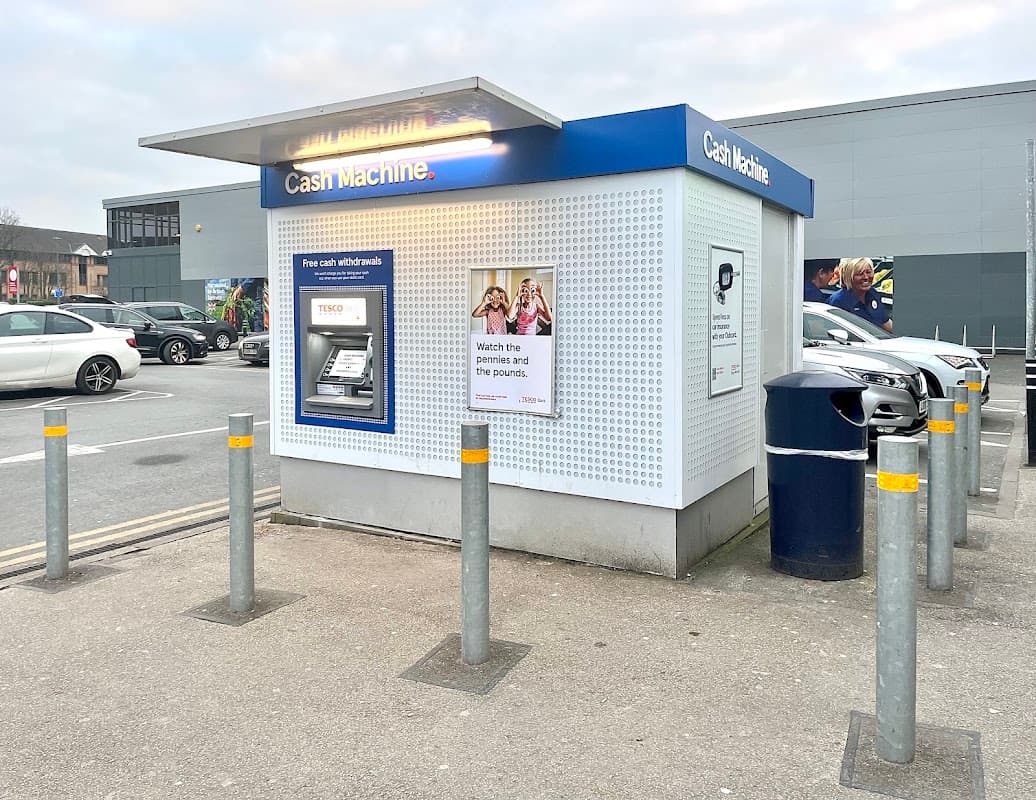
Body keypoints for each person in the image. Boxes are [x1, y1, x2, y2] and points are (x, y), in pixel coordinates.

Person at [829, 257, 893, 332]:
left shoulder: (873, 293)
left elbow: (885, 322)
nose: (866, 277)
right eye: (859, 274)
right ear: (848, 277)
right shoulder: (838, 301)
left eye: (868, 272)